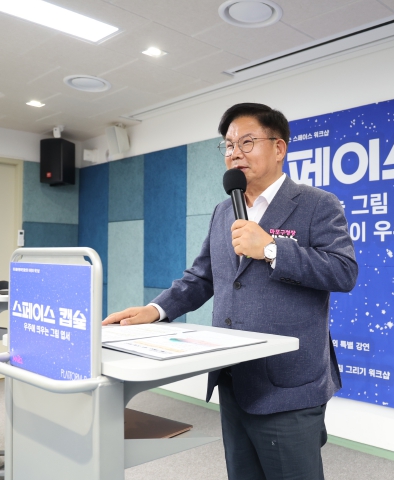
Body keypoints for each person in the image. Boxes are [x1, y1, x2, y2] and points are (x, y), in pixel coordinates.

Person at [103, 103, 358, 479]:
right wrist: (156, 310)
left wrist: (271, 249)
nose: (235, 152)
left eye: (247, 142)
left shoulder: (317, 204)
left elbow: (344, 272)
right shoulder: (224, 211)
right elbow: (202, 277)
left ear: (279, 148)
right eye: (229, 144)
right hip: (233, 377)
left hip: (288, 383)